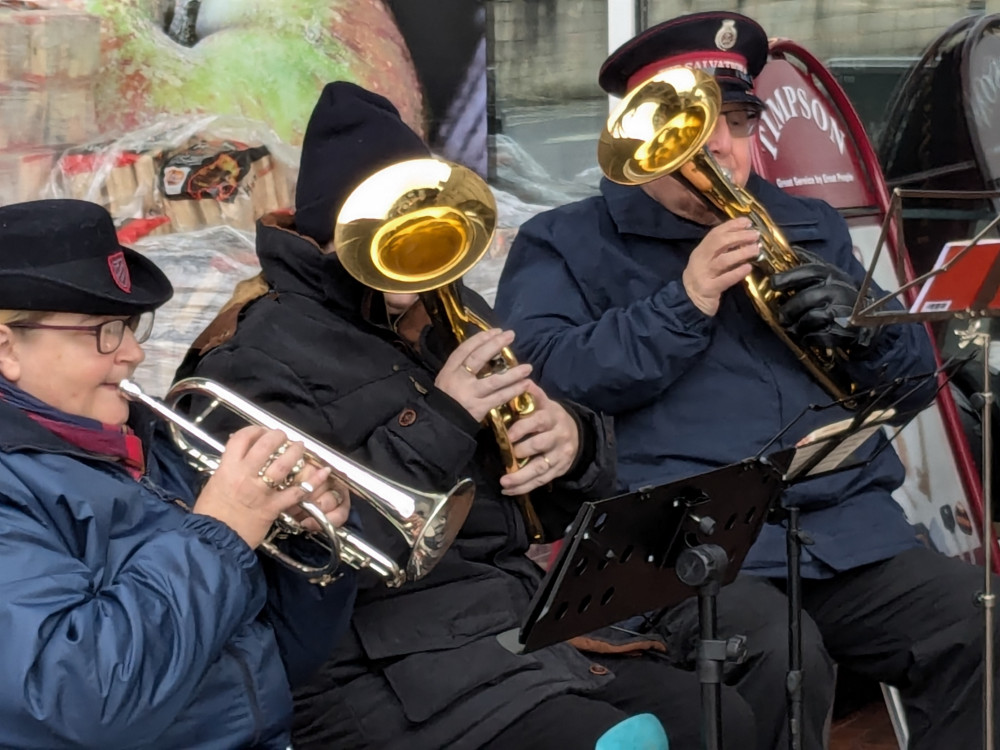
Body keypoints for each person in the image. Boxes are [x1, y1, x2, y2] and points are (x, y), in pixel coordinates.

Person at [175, 80, 755, 750]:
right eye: (387, 234)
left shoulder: (447, 308)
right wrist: (443, 415)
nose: (417, 262)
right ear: (332, 232)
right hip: (374, 665)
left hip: (506, 619)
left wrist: (571, 444)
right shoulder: (250, 354)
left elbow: (541, 504)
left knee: (719, 722)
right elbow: (305, 557)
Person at [494, 10, 996, 750]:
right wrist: (683, 302)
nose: (721, 148)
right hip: (685, 547)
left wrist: (863, 337)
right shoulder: (563, 242)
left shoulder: (808, 224)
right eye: (694, 129)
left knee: (971, 620)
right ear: (644, 138)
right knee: (778, 654)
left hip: (838, 527)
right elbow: (545, 379)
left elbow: (912, 385)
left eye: (736, 120)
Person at [0, 199, 357, 749]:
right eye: (104, 332)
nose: (136, 353)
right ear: (6, 349)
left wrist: (301, 544)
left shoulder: (146, 441)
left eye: (130, 326)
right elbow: (81, 703)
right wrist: (222, 531)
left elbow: (276, 662)